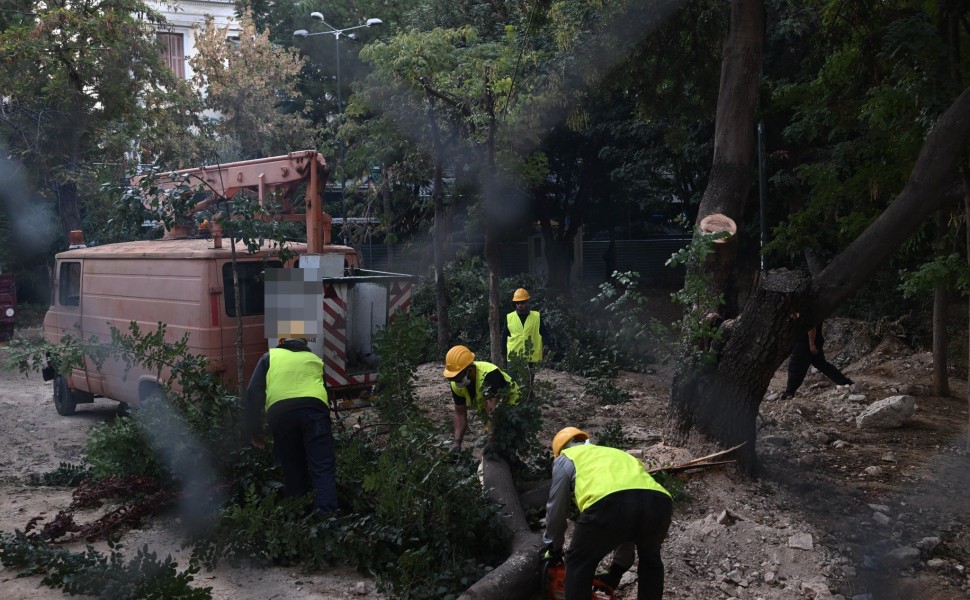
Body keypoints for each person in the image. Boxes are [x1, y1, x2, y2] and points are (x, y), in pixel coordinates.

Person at [541, 427, 673, 600]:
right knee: (650, 561)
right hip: (659, 501)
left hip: (607, 503)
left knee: (578, 562)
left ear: (558, 451)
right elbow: (630, 513)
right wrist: (615, 572)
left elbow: (557, 509)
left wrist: (552, 546)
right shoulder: (617, 454)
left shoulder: (565, 459)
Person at [245, 336, 338, 515]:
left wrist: (255, 431)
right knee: (322, 468)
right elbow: (324, 393)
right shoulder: (315, 360)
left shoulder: (269, 358)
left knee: (293, 469)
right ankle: (327, 523)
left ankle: (298, 520)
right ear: (305, 343)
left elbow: (252, 394)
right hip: (314, 413)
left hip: (282, 415)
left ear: (281, 341)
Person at [442, 344, 520, 453]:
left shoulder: (490, 375)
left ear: (470, 370)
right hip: (491, 410)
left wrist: (492, 439)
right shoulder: (456, 383)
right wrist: (457, 442)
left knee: (506, 443)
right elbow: (460, 413)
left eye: (458, 378)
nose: (456, 381)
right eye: (452, 379)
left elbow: (492, 410)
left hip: (513, 404)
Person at [781, 320, 853, 399]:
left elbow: (811, 326)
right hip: (813, 342)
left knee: (795, 368)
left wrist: (811, 344)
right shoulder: (813, 310)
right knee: (822, 365)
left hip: (805, 343)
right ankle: (846, 382)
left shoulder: (805, 309)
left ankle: (789, 393)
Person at [501, 288, 548, 372]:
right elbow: (504, 336)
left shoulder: (536, 317)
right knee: (513, 382)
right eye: (517, 302)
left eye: (522, 302)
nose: (520, 304)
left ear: (527, 302)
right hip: (513, 356)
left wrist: (546, 345)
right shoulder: (509, 317)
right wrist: (503, 353)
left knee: (527, 383)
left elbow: (544, 333)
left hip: (530, 357)